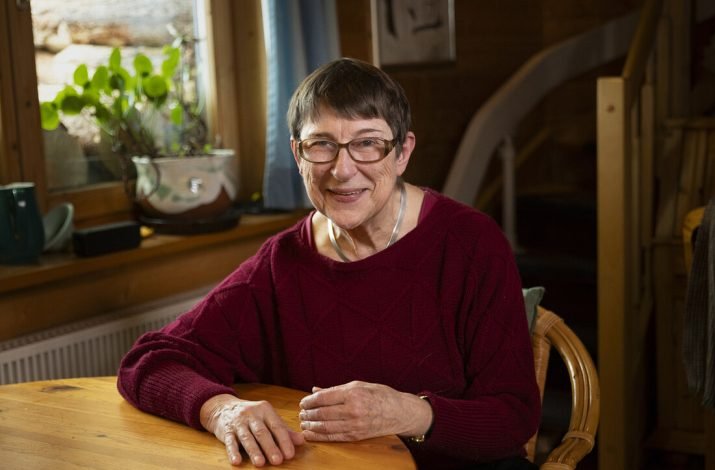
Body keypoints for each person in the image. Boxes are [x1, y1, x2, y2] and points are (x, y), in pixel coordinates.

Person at [117, 57, 541, 470]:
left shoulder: (471, 243)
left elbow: (514, 417)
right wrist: (221, 410)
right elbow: (149, 361)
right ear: (297, 154)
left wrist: (410, 413)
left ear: (402, 153)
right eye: (321, 145)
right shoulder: (281, 263)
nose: (342, 169)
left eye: (367, 143)